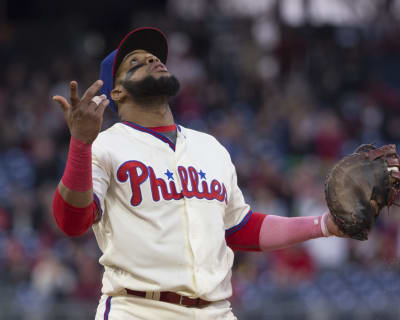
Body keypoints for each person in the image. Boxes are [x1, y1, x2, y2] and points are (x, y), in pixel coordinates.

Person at [51, 27, 345, 320]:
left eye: (155, 56)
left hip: (216, 312)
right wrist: (80, 144)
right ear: (117, 92)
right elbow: (71, 222)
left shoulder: (210, 147)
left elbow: (239, 227)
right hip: (139, 309)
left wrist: (323, 225)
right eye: (136, 63)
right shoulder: (105, 145)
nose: (154, 59)